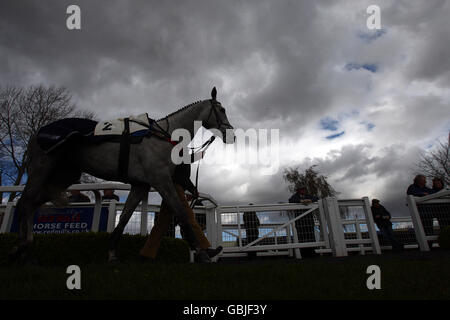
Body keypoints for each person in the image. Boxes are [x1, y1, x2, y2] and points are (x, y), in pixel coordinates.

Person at [139, 163, 222, 263]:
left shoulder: (180, 152)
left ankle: (146, 254)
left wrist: (191, 189)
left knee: (161, 224)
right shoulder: (180, 152)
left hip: (172, 187)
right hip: (175, 188)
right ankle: (205, 248)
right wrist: (193, 189)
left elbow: (182, 176)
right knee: (189, 217)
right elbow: (180, 176)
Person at [288, 186, 318, 258]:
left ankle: (312, 252)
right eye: (302, 189)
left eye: (304, 189)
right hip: (300, 221)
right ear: (298, 190)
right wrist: (301, 201)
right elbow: (291, 200)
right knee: (301, 237)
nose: (303, 191)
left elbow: (316, 198)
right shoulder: (295, 196)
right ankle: (304, 253)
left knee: (311, 236)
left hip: (309, 220)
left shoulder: (308, 196)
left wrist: (309, 200)